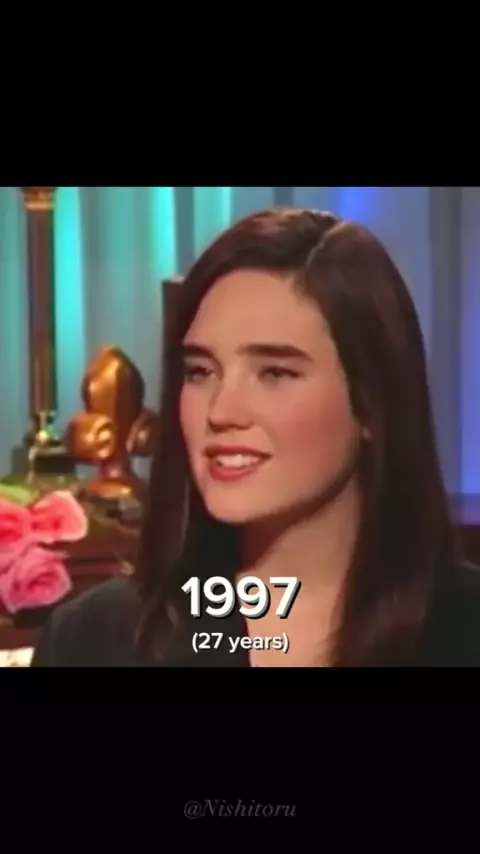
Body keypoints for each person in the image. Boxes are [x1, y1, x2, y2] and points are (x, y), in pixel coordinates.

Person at [31, 207, 480, 667]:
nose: (221, 412)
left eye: (275, 373)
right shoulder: (93, 641)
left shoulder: (464, 630)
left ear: (370, 402)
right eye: (200, 371)